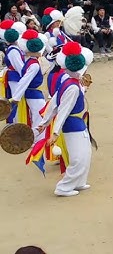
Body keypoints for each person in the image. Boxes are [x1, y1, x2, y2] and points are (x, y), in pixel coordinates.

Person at [36, 42, 94, 197]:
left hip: (77, 123)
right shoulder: (73, 87)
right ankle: (64, 187)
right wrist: (54, 132)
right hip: (73, 124)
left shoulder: (67, 81)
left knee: (85, 153)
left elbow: (54, 103)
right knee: (78, 157)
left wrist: (45, 122)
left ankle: (79, 181)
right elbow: (63, 109)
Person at [11, 30, 48, 140]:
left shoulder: (28, 61)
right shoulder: (34, 64)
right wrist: (15, 98)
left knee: (35, 116)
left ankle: (34, 138)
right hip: (34, 93)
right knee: (39, 116)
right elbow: (24, 81)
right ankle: (37, 139)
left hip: (31, 93)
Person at [0, 20, 27, 116]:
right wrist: (26, 76)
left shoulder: (13, 49)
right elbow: (20, 67)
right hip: (15, 78)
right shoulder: (14, 51)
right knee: (16, 100)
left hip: (13, 77)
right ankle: (15, 119)